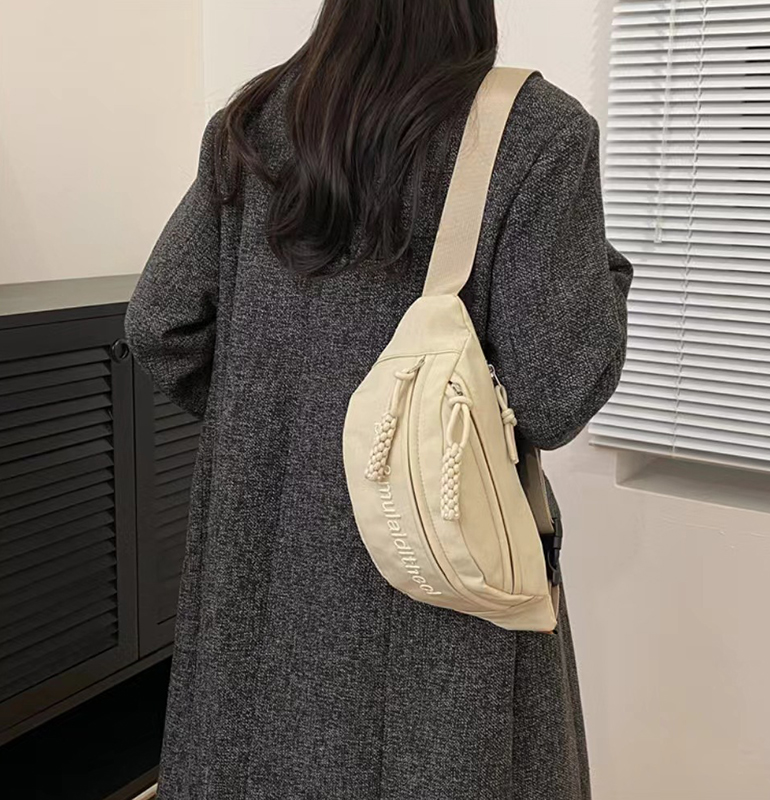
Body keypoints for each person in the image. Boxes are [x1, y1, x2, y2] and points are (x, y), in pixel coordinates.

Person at [125, 2, 632, 798]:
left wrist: (275, 425)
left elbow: (162, 325)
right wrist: (604, 277)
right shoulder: (536, 131)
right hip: (443, 566)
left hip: (263, 559)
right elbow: (555, 394)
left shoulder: (253, 125)